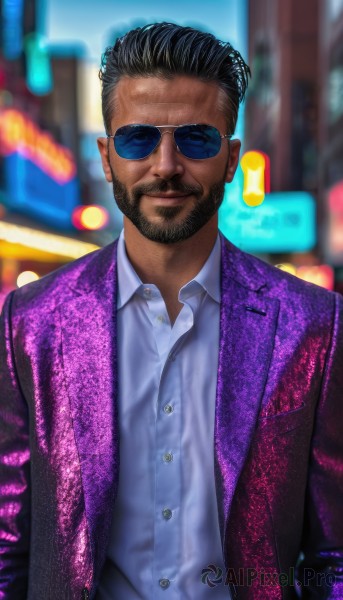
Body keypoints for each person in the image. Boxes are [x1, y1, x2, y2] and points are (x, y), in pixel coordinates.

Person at [0, 22, 342, 600]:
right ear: (107, 158)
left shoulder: (314, 326)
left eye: (196, 140)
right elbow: (8, 546)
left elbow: (334, 555)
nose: (165, 165)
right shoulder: (30, 324)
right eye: (137, 140)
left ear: (231, 158)